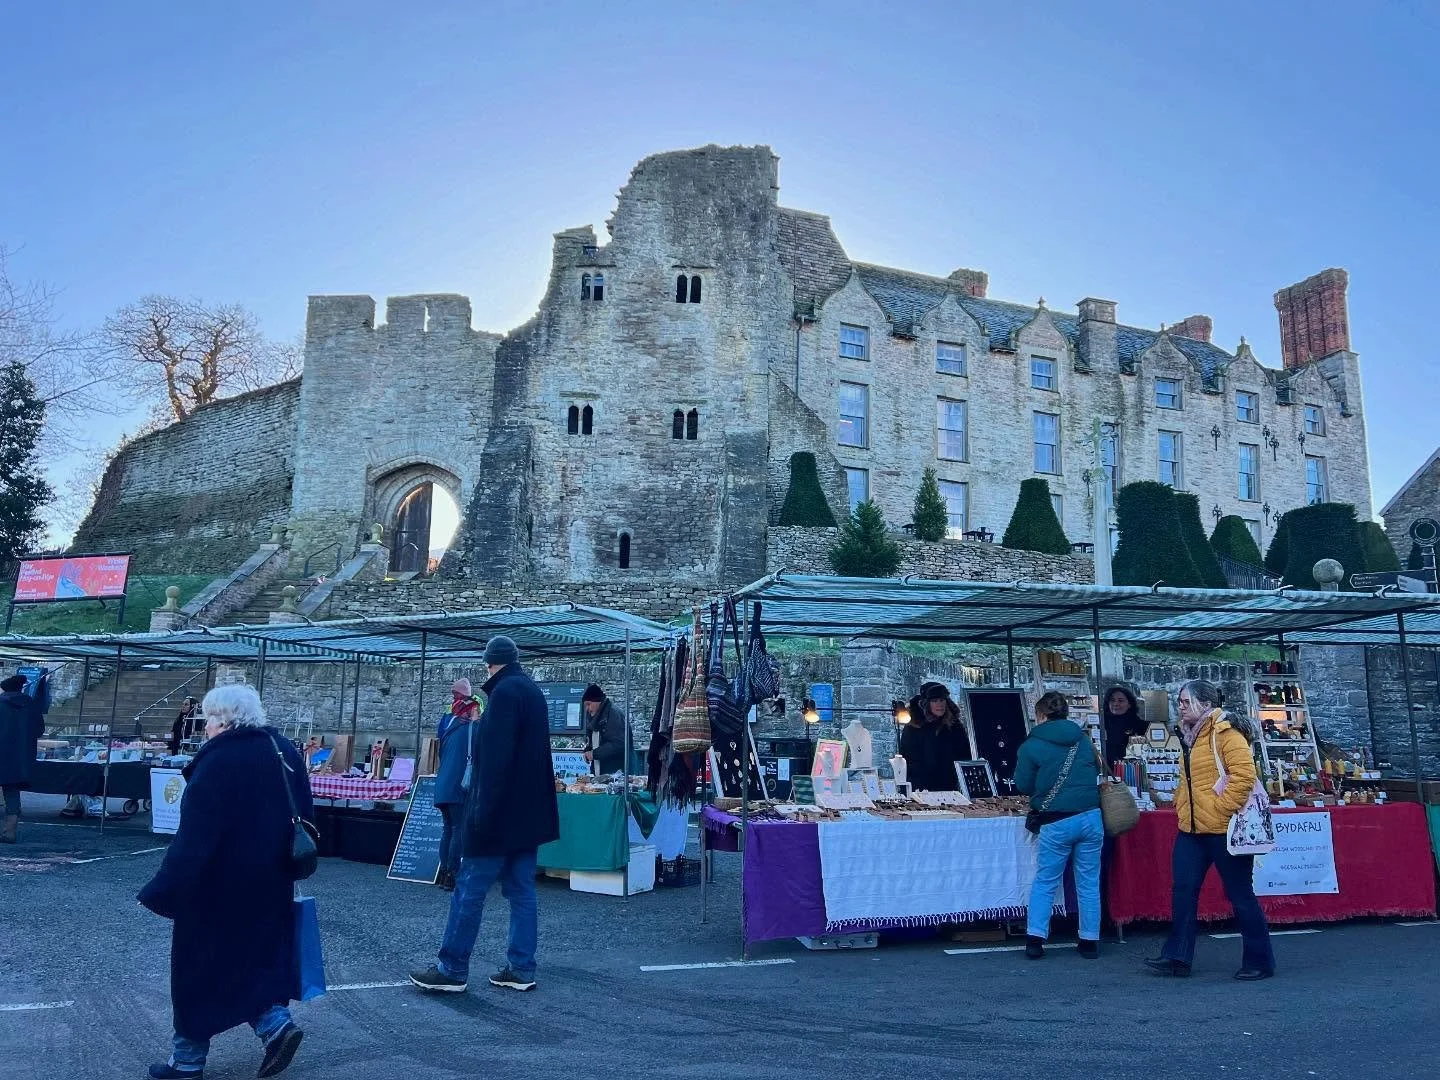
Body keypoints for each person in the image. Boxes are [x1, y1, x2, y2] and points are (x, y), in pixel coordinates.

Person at [138, 684, 314, 1079]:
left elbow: (196, 838)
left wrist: (164, 888)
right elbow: (305, 812)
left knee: (197, 970)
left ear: (222, 718)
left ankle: (187, 1063)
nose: (205, 728)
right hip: (271, 881)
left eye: (208, 719)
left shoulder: (218, 760)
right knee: (255, 959)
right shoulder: (282, 749)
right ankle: (275, 1025)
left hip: (216, 887)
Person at [410, 635, 560, 995]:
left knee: (469, 889)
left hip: (498, 815)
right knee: (522, 890)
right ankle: (522, 968)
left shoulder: (504, 695)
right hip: (528, 815)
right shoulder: (533, 692)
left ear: (490, 662)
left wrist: (480, 813)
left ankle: (452, 968)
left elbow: (494, 763)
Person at [1145, 679, 1275, 981]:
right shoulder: (1189, 736)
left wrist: (1220, 809)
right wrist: (1181, 803)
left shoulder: (1225, 733)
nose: (1180, 707)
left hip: (1222, 828)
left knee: (1240, 894)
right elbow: (1188, 780)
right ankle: (1177, 956)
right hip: (1191, 829)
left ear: (1206, 704)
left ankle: (1260, 961)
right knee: (1183, 891)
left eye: (1185, 702)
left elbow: (1243, 776)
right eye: (1179, 702)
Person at [1013, 690, 1103, 960]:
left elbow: (1024, 785)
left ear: (1040, 715)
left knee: (1046, 881)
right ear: (1066, 713)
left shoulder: (1031, 745)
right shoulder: (1083, 740)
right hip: (1090, 816)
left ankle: (1035, 940)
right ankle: (1089, 941)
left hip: (1055, 820)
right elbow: (1095, 771)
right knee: (1088, 882)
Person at [433, 679, 482, 891]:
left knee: (447, 830)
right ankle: (452, 875)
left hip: (442, 785)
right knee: (457, 829)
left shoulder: (447, 725)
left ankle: (443, 871)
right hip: (458, 787)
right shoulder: (472, 729)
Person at [898, 682, 973, 792]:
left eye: (942, 700)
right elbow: (908, 759)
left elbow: (964, 754)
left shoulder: (954, 725)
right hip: (920, 788)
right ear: (927, 703)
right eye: (935, 701)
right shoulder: (914, 726)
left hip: (949, 786)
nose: (940, 704)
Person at [0, 672, 47, 844]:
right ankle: (9, 832)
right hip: (19, 758)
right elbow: (39, 730)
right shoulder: (31, 706)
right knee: (12, 793)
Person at [581, 683, 626, 775]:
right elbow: (595, 741)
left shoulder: (614, 714)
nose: (587, 709)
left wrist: (594, 754)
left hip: (614, 772)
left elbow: (618, 744)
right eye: (585, 705)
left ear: (597, 701)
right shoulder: (596, 716)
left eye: (588, 704)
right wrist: (588, 750)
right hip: (602, 771)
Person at [1102, 685, 1146, 769]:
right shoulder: (1100, 723)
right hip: (1106, 771)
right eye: (1112, 700)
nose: (1116, 704)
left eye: (1120, 701)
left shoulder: (1140, 725)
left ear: (1129, 704)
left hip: (1131, 771)